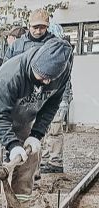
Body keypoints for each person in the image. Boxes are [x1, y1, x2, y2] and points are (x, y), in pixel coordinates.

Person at [0, 38, 73, 208]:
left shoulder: (61, 74)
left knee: (31, 157)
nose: (45, 82)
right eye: (41, 77)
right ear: (35, 64)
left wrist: (36, 135)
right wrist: (12, 145)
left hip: (23, 112)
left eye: (49, 79)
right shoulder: (12, 73)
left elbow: (51, 106)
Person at [40, 23, 73, 174]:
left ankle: (55, 162)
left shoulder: (62, 53)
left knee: (54, 130)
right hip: (47, 97)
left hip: (58, 98)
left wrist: (64, 100)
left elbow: (64, 80)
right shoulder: (50, 51)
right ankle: (46, 159)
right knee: (45, 129)